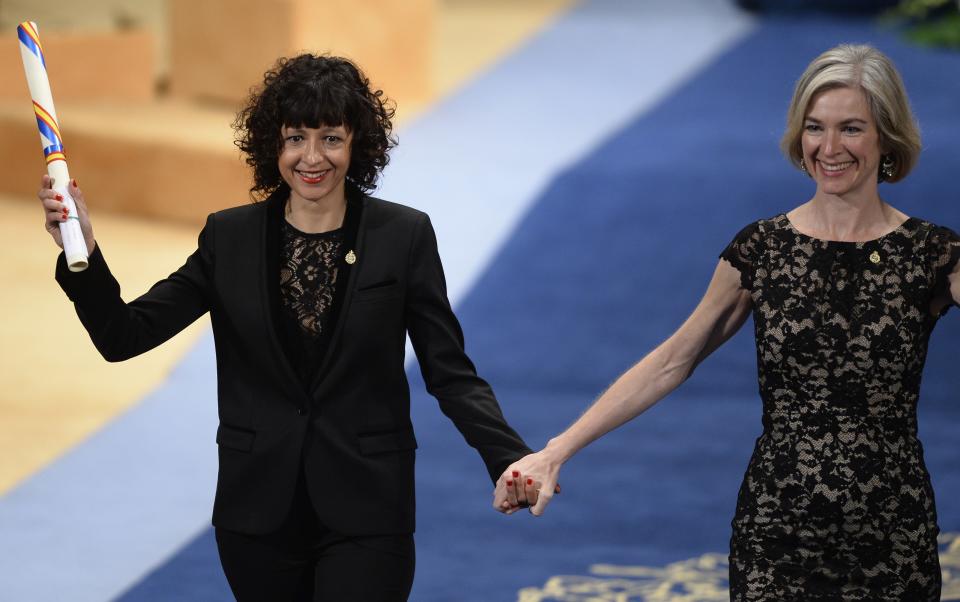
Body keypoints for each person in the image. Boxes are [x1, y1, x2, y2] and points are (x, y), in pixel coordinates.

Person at [39, 54, 533, 601]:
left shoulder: (403, 236)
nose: (312, 157)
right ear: (271, 144)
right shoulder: (229, 238)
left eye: (330, 138)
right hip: (256, 515)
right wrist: (79, 247)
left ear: (357, 145)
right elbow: (125, 336)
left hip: (367, 510)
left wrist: (508, 458)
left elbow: (450, 373)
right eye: (295, 137)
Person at [494, 44, 960, 600]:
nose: (829, 148)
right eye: (815, 128)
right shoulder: (762, 249)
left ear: (886, 135)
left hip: (892, 532)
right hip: (777, 531)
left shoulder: (931, 254)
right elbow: (673, 360)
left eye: (852, 129)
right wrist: (554, 451)